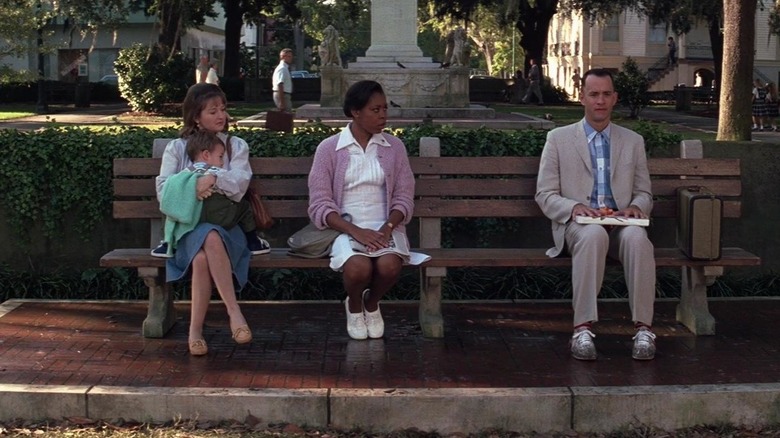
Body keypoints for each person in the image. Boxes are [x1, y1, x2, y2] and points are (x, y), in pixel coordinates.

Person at [535, 68, 656, 361]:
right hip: (578, 226)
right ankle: (582, 329)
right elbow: (545, 193)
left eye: (605, 94)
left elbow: (644, 192)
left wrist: (636, 207)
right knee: (591, 235)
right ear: (582, 98)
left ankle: (644, 329)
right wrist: (573, 207)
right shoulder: (558, 139)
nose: (600, 101)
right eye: (593, 94)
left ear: (614, 98)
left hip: (621, 225)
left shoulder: (632, 141)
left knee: (638, 239)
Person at [307, 80, 430, 340]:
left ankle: (372, 303)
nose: (383, 115)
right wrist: (355, 231)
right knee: (359, 268)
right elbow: (319, 203)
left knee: (389, 267)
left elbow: (404, 196)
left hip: (385, 227)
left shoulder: (394, 147)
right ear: (355, 112)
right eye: (375, 110)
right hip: (344, 228)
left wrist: (387, 229)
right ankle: (353, 305)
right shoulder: (329, 149)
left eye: (385, 108)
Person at [155, 83, 263, 356]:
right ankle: (234, 313)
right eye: (212, 110)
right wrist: (194, 185)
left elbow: (239, 185)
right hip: (187, 228)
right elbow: (163, 192)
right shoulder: (176, 148)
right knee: (206, 243)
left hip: (228, 225)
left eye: (223, 109)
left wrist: (213, 177)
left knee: (209, 245)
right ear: (195, 116)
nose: (221, 116)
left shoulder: (236, 145)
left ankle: (195, 332)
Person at [159, 130, 271, 257]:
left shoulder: (184, 174)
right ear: (206, 155)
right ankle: (253, 241)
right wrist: (216, 180)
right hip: (218, 218)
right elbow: (234, 189)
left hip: (191, 218)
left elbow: (169, 190)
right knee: (244, 207)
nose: (222, 162)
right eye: (220, 157)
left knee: (168, 208)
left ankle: (166, 243)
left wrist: (191, 192)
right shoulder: (217, 171)